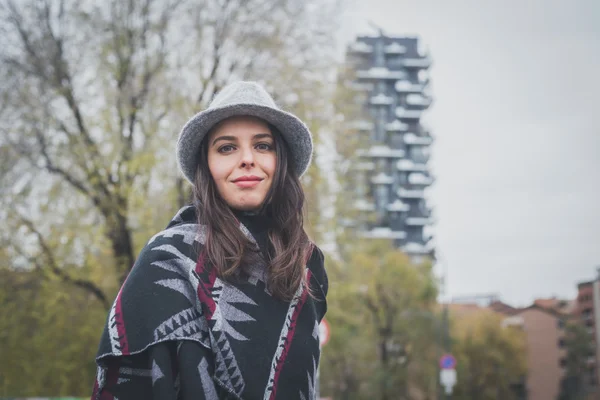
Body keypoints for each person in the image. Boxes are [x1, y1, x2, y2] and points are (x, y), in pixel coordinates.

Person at [92, 81, 328, 400]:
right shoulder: (167, 259)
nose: (247, 159)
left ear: (280, 161)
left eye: (263, 145)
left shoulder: (306, 267)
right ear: (208, 166)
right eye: (227, 147)